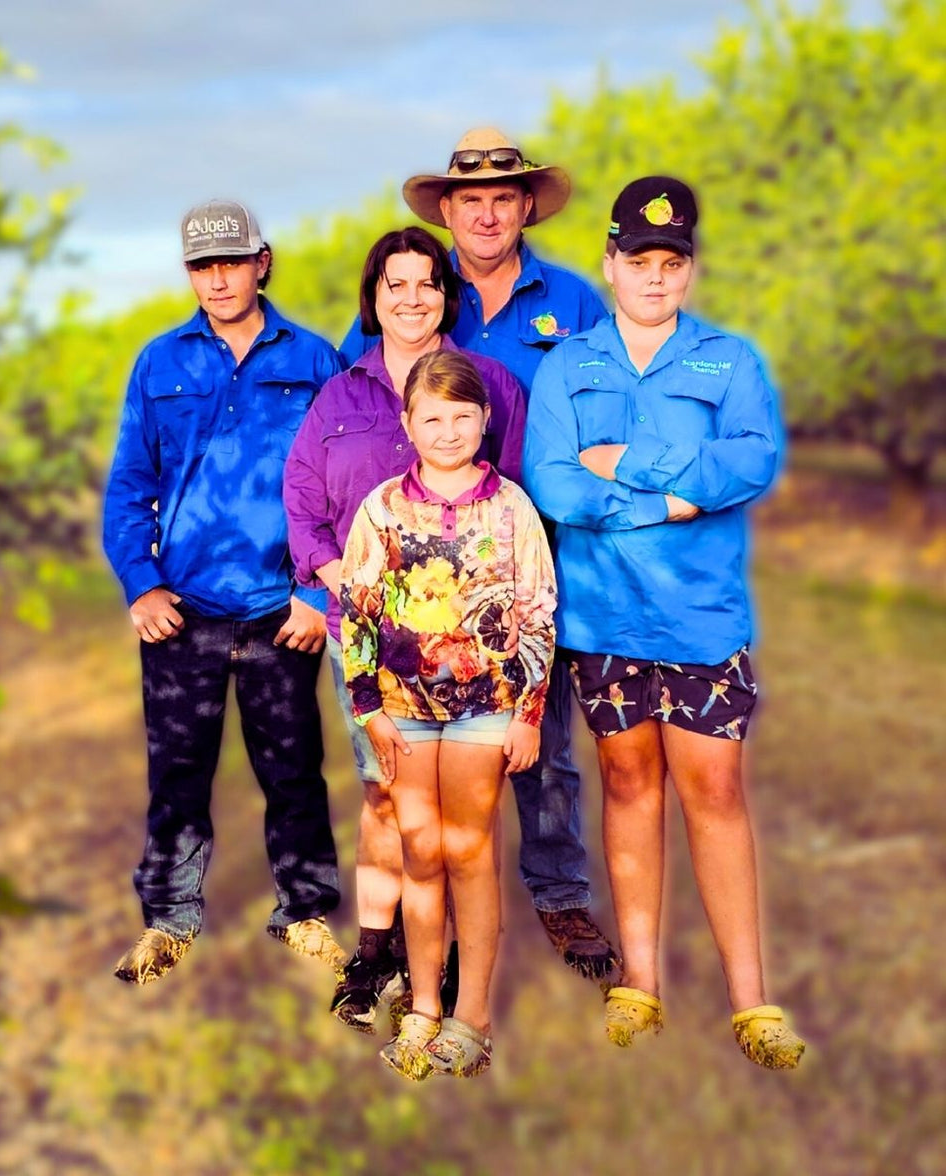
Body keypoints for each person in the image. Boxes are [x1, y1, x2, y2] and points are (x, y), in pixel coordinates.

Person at [523, 176, 806, 1069]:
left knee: (714, 793)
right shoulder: (568, 365)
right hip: (604, 621)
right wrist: (676, 495)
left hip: (699, 619)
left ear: (689, 269)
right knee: (629, 786)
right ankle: (638, 983)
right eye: (638, 260)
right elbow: (555, 480)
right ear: (609, 263)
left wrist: (633, 470)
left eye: (671, 262)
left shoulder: (731, 361)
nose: (654, 277)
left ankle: (751, 1001)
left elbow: (751, 459)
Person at [342, 127, 616, 979]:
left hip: (538, 560)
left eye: (504, 197)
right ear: (448, 211)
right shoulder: (419, 296)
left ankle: (560, 893)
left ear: (527, 205)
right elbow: (364, 423)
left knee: (543, 743)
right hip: (429, 578)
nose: (488, 213)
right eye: (471, 201)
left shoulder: (572, 306)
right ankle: (439, 925)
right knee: (429, 766)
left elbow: (603, 419)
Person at [283, 226, 526, 1029]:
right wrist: (333, 578)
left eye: (427, 282)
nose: (412, 297)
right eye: (396, 284)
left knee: (462, 822)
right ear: (375, 295)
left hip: (472, 655)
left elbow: (518, 504)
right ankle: (378, 954)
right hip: (372, 644)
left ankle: (454, 966)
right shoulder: (341, 393)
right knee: (384, 796)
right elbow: (303, 492)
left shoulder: (487, 381)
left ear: (445, 293)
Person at [103, 199, 345, 985]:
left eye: (231, 262)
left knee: (294, 768)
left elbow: (338, 490)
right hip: (185, 612)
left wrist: (318, 593)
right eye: (203, 266)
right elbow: (129, 486)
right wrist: (142, 585)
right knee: (177, 770)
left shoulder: (313, 360)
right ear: (190, 273)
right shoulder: (159, 362)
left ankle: (304, 911)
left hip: (283, 609)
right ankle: (170, 920)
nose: (218, 279)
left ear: (261, 262)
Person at [339, 350, 557, 1079]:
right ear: (409, 424)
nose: (449, 430)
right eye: (433, 418)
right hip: (402, 710)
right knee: (421, 851)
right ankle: (426, 1004)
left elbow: (537, 611)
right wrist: (367, 705)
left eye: (463, 416)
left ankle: (474, 1014)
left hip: (486, 709)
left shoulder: (511, 506)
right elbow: (360, 610)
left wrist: (528, 713)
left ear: (485, 420)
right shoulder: (381, 508)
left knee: (468, 848)